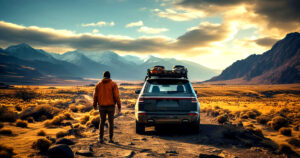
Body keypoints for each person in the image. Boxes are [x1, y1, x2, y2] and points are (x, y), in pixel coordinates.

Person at [93, 71, 121, 143]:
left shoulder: (98, 85)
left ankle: (101, 138)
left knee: (102, 122)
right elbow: (116, 96)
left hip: (102, 107)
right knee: (111, 122)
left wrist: (94, 105)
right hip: (111, 107)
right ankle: (111, 139)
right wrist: (119, 106)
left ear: (103, 76)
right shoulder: (113, 84)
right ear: (109, 76)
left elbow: (95, 96)